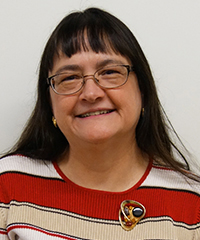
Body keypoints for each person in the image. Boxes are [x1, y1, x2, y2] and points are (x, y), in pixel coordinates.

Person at [0, 7, 199, 240]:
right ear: (50, 104)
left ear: (143, 90)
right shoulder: (9, 184)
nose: (91, 93)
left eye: (110, 72)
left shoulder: (191, 203)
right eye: (70, 78)